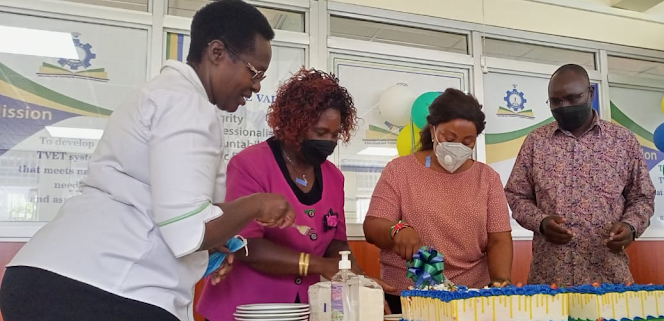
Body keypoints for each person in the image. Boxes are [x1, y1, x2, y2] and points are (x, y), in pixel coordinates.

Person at [0, 2, 296, 321]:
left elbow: (170, 209)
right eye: (254, 72)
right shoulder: (186, 104)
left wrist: (214, 244)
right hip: (97, 289)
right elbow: (189, 231)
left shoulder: (165, 95)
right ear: (216, 52)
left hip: (53, 277)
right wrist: (256, 205)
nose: (256, 86)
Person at [198, 68, 395, 321]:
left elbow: (336, 243)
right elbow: (245, 245)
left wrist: (358, 281)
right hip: (244, 308)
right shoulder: (250, 165)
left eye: (335, 135)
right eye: (320, 133)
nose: (329, 142)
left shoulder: (334, 177)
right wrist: (318, 265)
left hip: (303, 310)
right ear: (294, 125)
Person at [363, 88, 514, 314]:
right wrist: (397, 229)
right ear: (433, 130)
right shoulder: (400, 171)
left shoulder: (487, 178)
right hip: (407, 297)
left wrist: (500, 282)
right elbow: (372, 226)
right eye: (449, 138)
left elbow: (499, 239)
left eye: (468, 141)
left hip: (469, 298)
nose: (458, 147)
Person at [504, 64, 656, 286]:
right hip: (550, 276)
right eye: (555, 101)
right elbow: (516, 195)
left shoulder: (622, 141)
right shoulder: (536, 142)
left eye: (572, 98)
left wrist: (631, 227)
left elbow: (642, 197)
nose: (564, 106)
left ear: (590, 94)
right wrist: (541, 222)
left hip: (608, 276)